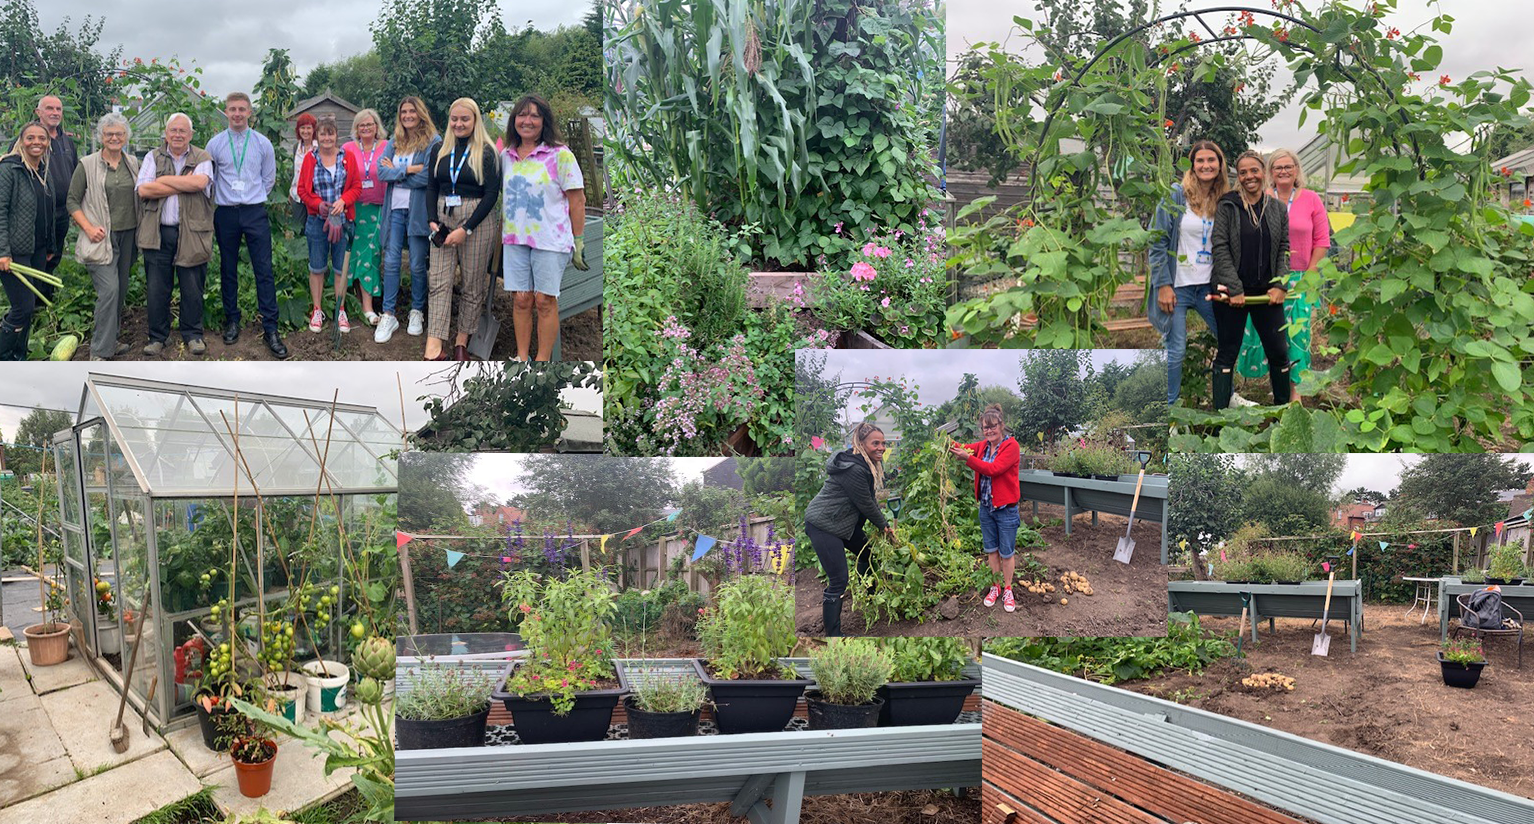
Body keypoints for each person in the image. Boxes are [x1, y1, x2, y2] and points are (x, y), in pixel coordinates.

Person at [1234, 148, 1330, 402]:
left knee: (1298, 334)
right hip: (1269, 278)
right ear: (1270, 173)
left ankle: (1295, 394)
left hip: (1301, 276)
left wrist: (1311, 273)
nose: (1284, 171)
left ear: (1297, 170)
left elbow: (1322, 240)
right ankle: (1277, 383)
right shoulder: (1261, 197)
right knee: (1270, 332)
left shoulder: (1311, 199)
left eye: (1289, 166)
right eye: (1278, 167)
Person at [500, 94, 587, 361]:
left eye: (534, 116)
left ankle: (542, 361)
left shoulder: (560, 155)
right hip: (516, 240)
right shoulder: (507, 155)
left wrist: (579, 240)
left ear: (544, 121)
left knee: (544, 301)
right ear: (514, 120)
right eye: (522, 115)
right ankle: (522, 357)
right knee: (521, 300)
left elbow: (577, 200)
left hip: (550, 239)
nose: (527, 121)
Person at [206, 92, 286, 358]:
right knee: (227, 268)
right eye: (232, 109)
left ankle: (271, 328)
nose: (237, 114)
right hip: (226, 213)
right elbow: (211, 177)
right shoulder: (215, 144)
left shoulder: (263, 144)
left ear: (250, 113)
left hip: (254, 212)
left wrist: (251, 196)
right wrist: (229, 197)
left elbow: (269, 179)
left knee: (263, 269)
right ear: (226, 112)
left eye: (242, 109)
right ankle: (232, 320)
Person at [1209, 150, 1291, 409]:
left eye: (1253, 170)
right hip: (1232, 294)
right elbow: (1220, 247)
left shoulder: (1277, 209)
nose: (1249, 177)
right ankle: (1220, 419)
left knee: (1278, 351)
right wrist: (1234, 288)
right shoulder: (1228, 206)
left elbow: (1284, 249)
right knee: (1227, 352)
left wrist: (1280, 284)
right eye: (1243, 172)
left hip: (1266, 294)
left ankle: (1283, 414)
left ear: (1263, 172)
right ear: (1238, 177)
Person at [1149, 140, 1227, 405]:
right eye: (1200, 160)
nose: (1206, 165)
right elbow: (1157, 240)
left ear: (1220, 164)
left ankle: (1224, 397)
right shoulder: (1176, 195)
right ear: (1192, 165)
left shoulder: (1224, 199)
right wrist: (1162, 284)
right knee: (1176, 351)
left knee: (1230, 339)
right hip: (1178, 285)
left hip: (1209, 287)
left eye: (1211, 160)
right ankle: (1170, 408)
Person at [424, 97, 500, 361]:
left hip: (476, 220)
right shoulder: (440, 149)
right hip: (444, 217)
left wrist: (466, 228)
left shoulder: (488, 152)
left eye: (464, 119)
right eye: (454, 119)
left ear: (475, 120)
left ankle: (460, 343)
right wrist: (432, 220)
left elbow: (492, 194)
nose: (459, 123)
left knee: (471, 283)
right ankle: (433, 346)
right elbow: (432, 186)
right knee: (439, 281)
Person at [802, 421, 895, 637]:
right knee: (838, 580)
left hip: (841, 523)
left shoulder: (863, 464)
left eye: (883, 443)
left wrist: (880, 522)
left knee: (868, 553)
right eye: (875, 443)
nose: (881, 447)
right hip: (823, 524)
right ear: (861, 443)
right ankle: (833, 636)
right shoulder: (853, 468)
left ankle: (869, 596)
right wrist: (884, 526)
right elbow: (866, 503)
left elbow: (868, 500)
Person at [136, 113, 215, 356]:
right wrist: (182, 182)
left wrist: (164, 181)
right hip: (159, 232)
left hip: (192, 233)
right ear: (166, 133)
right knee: (157, 288)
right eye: (173, 131)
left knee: (192, 287)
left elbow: (199, 184)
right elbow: (143, 189)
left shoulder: (202, 156)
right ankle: (157, 337)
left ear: (191, 135)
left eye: (183, 131)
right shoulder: (153, 156)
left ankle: (193, 334)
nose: (178, 135)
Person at [67, 113, 140, 360]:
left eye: (119, 134)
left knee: (120, 291)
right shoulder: (86, 164)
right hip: (99, 239)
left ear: (126, 137)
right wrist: (87, 227)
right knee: (109, 291)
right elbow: (72, 201)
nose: (114, 138)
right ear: (101, 137)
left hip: (128, 235)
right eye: (109, 134)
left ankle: (111, 340)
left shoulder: (132, 163)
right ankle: (99, 351)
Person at [375, 96, 439, 343]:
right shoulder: (394, 141)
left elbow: (429, 178)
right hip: (394, 210)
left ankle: (416, 311)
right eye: (404, 112)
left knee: (415, 264)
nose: (408, 116)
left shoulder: (433, 142)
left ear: (421, 113)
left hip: (417, 212)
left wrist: (398, 174)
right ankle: (388, 313)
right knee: (390, 262)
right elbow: (382, 173)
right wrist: (409, 170)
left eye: (412, 111)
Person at [948, 404, 1022, 613]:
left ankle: (1008, 588)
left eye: (993, 426)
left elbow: (993, 469)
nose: (989, 431)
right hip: (986, 507)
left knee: (1006, 552)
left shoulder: (1011, 447)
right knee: (991, 550)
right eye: (985, 428)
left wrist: (968, 459)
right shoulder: (982, 446)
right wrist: (945, 442)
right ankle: (995, 586)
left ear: (1002, 425)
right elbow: (961, 445)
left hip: (1006, 509)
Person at [297, 116, 362, 333]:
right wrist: (318, 204)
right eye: (322, 133)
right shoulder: (310, 159)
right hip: (318, 221)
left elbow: (356, 187)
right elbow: (302, 190)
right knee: (316, 267)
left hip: (342, 221)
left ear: (336, 135)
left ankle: (340, 309)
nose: (327, 138)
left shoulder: (347, 157)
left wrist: (343, 201)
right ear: (317, 136)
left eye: (330, 133)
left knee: (340, 268)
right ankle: (317, 310)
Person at [0, 122, 55, 360]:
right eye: (31, 138)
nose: (37, 142)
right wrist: (3, 251)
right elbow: (0, 210)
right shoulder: (9, 169)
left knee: (28, 307)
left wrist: (50, 245)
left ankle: (18, 356)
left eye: (41, 138)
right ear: (21, 141)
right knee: (23, 307)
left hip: (37, 249)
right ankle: (4, 352)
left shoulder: (42, 170)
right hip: (15, 250)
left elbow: (47, 210)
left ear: (47, 142)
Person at [342, 108, 388, 326]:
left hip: (378, 207)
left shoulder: (387, 147)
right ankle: (355, 303)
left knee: (371, 253)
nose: (366, 128)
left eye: (370, 124)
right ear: (356, 129)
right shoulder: (348, 148)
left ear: (376, 126)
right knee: (353, 254)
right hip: (354, 207)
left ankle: (368, 306)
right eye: (362, 125)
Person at [36, 95, 78, 277]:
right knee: (38, 255)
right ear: (39, 112)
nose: (55, 113)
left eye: (58, 109)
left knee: (55, 255)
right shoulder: (31, 139)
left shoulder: (67, 141)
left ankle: (46, 298)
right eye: (49, 108)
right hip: (39, 212)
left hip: (62, 211)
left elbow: (76, 174)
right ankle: (33, 301)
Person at [287, 113, 318, 234]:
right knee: (298, 230)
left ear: (314, 129)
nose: (305, 131)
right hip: (297, 195)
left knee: (313, 230)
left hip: (313, 195)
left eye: (308, 128)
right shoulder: (296, 147)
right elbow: (296, 172)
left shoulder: (319, 148)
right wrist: (291, 190)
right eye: (302, 128)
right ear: (298, 130)